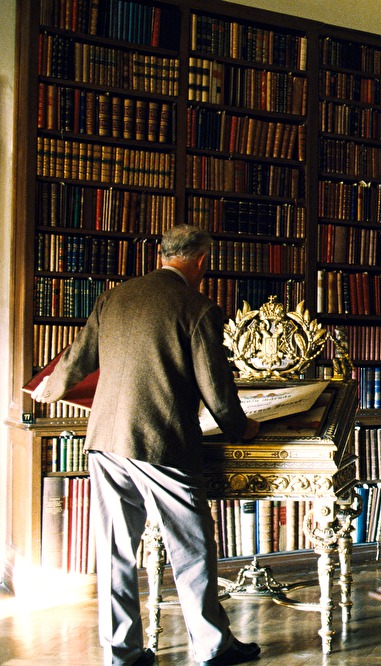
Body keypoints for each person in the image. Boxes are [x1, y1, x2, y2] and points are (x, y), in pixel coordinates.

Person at [32, 225, 262, 666]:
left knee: (116, 551)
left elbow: (77, 358)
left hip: (104, 443)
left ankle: (124, 654)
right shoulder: (197, 308)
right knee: (191, 549)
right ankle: (213, 648)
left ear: (161, 255)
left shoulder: (114, 297)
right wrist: (241, 429)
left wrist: (51, 387)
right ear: (201, 262)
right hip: (161, 444)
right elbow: (216, 391)